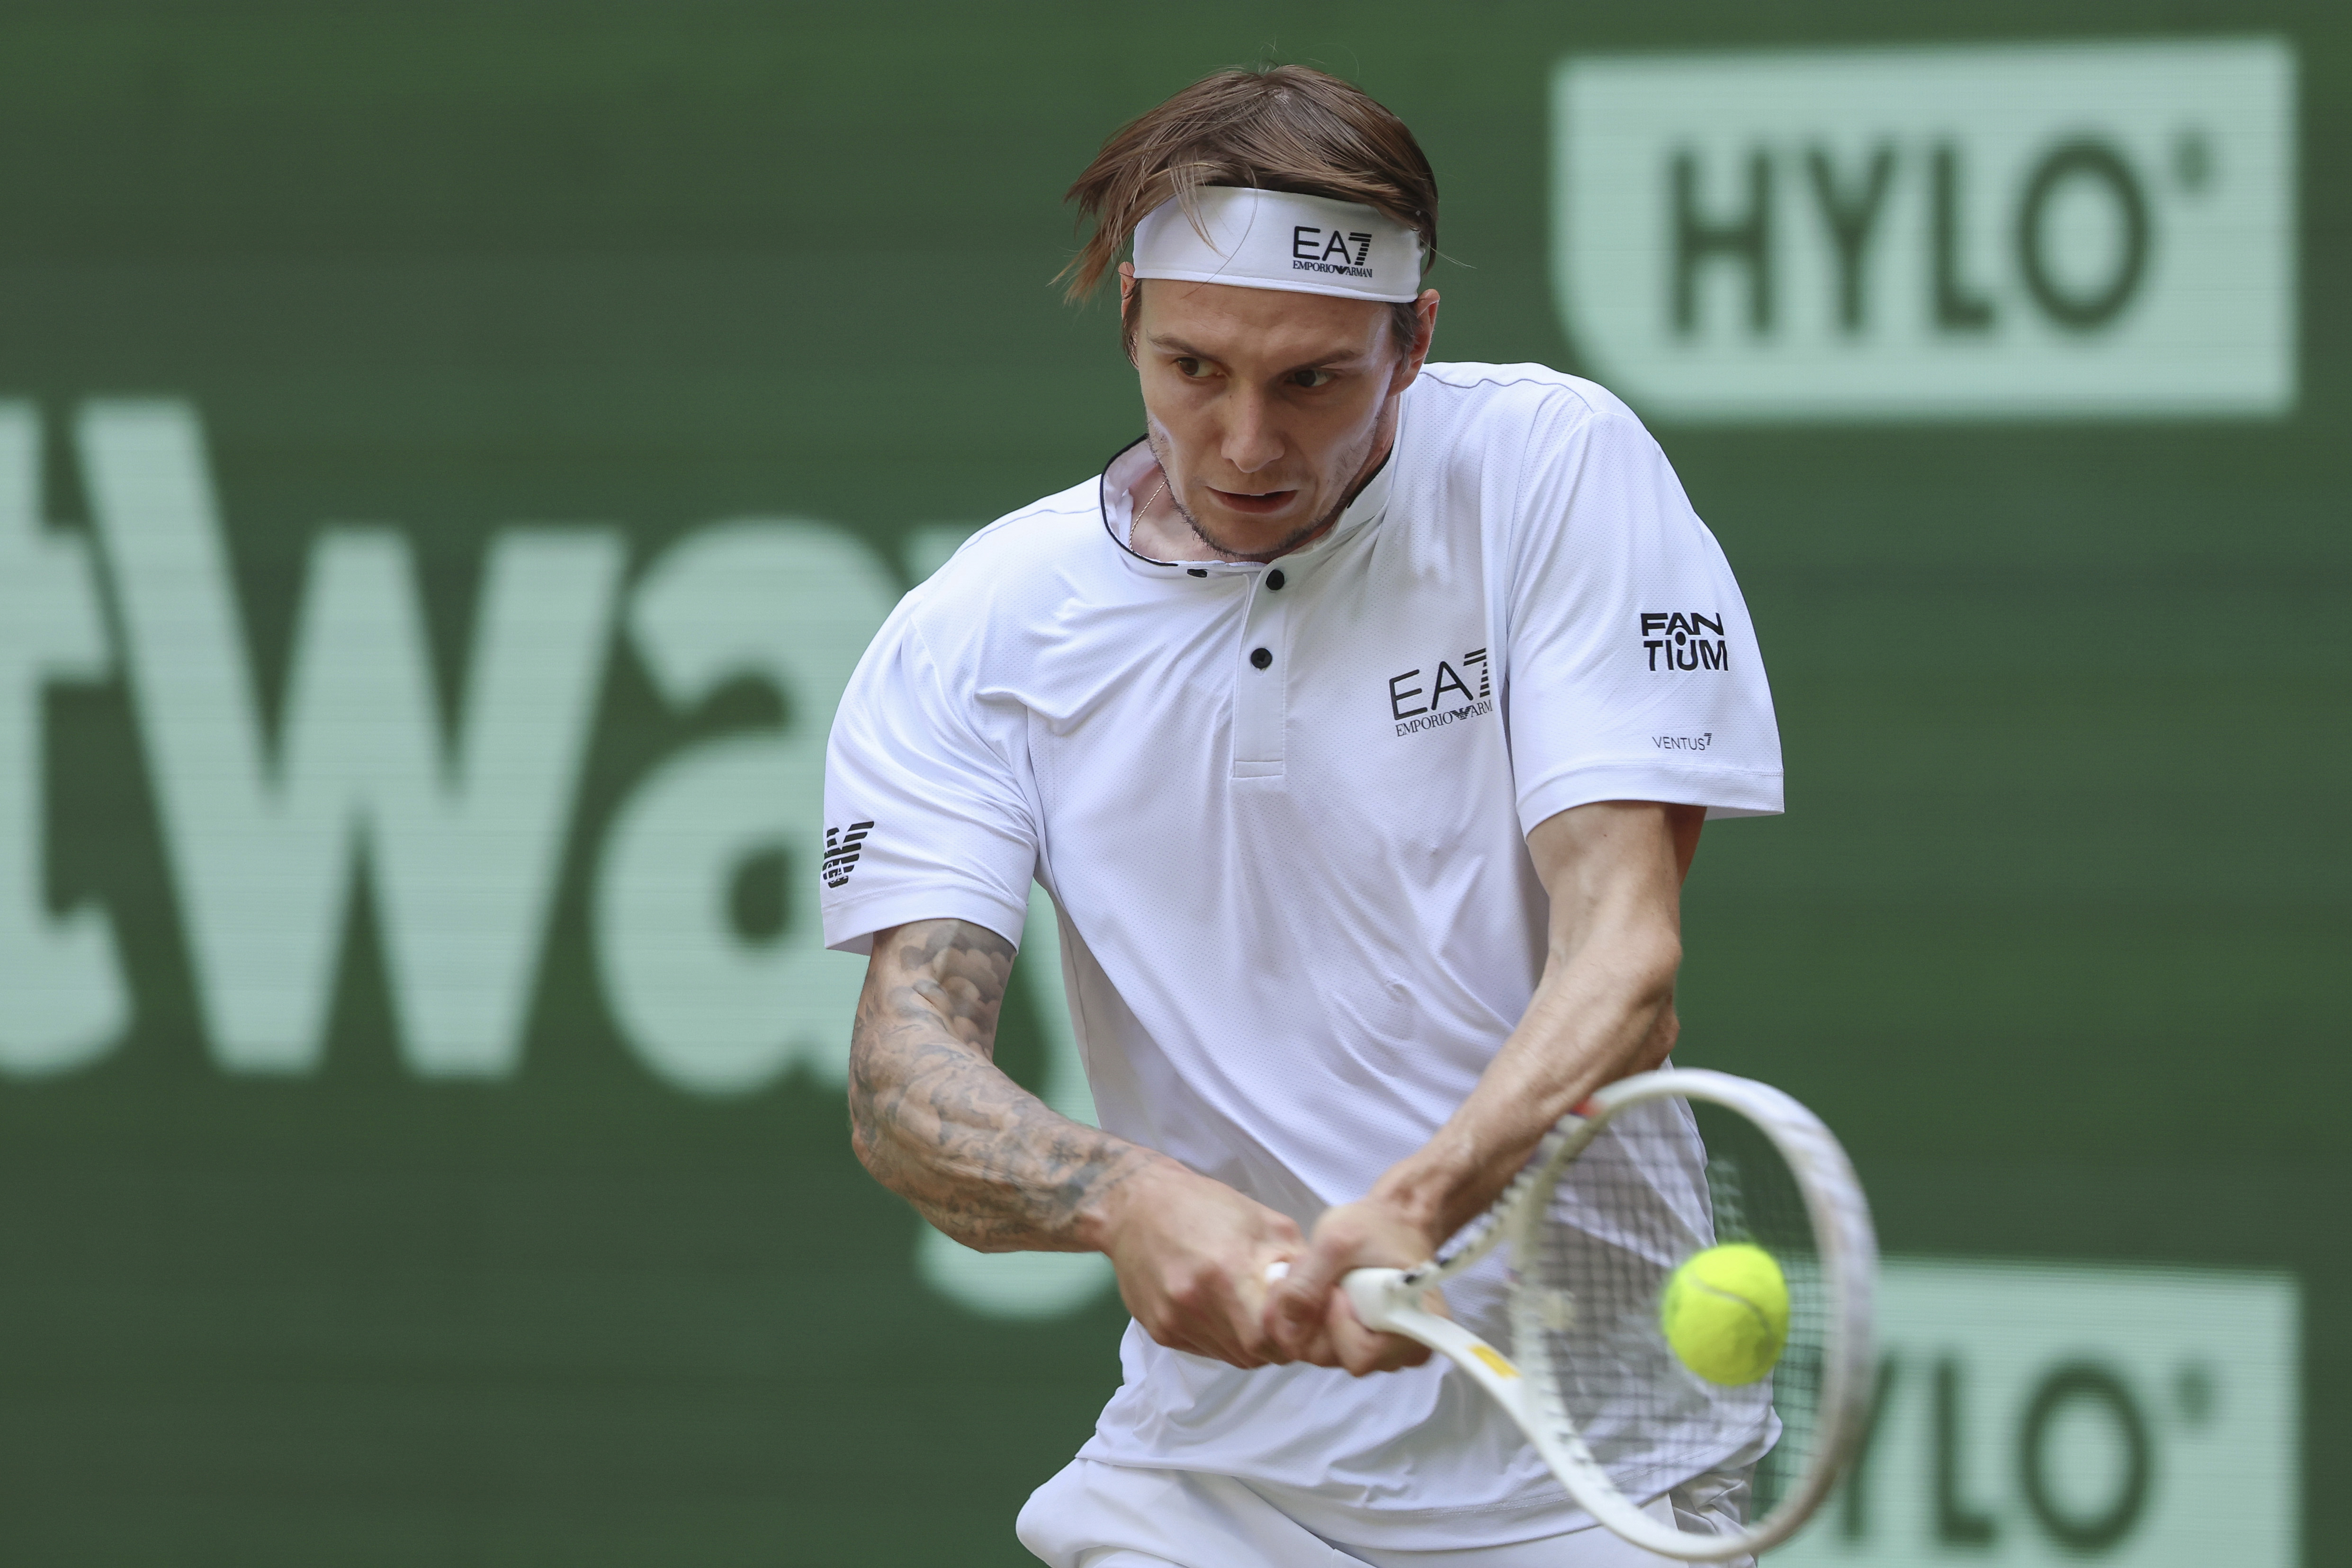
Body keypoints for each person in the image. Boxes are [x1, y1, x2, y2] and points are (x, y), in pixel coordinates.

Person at [822, 65, 1783, 1568]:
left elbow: (1625, 957)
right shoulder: (980, 634)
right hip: (1211, 1485)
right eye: (1192, 369)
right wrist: (1122, 1198)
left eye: (1312, 381)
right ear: (1131, 313)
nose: (1248, 445)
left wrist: (1418, 1202)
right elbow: (902, 1080)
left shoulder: (1550, 471)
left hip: (1592, 1463)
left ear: (1415, 345)